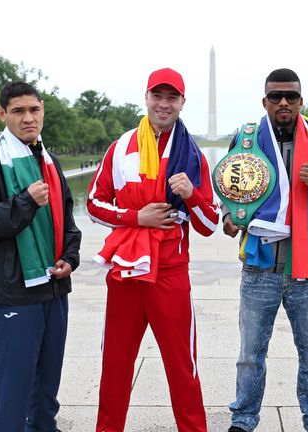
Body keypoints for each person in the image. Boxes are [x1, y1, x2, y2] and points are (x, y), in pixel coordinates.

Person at [86, 68, 219, 432]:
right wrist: (136, 217)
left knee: (182, 367)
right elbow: (94, 204)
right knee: (114, 365)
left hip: (170, 274)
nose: (163, 104)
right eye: (157, 96)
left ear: (182, 103)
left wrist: (191, 195)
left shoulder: (193, 157)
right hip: (126, 272)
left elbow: (209, 226)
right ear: (145, 97)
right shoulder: (121, 146)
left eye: (171, 97)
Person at [222, 68, 308, 432]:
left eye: (290, 97)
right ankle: (243, 420)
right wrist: (230, 220)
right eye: (275, 96)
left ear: (300, 101)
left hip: (306, 271)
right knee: (249, 356)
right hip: (259, 269)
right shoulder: (245, 140)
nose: (283, 103)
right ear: (264, 101)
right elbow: (231, 201)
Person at [0, 81, 82, 431]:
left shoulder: (48, 159)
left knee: (47, 385)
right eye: (18, 111)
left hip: (54, 286)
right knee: (12, 387)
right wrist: (25, 202)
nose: (28, 118)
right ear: (3, 114)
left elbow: (68, 220)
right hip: (16, 289)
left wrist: (70, 259)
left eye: (34, 109)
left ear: (42, 110)